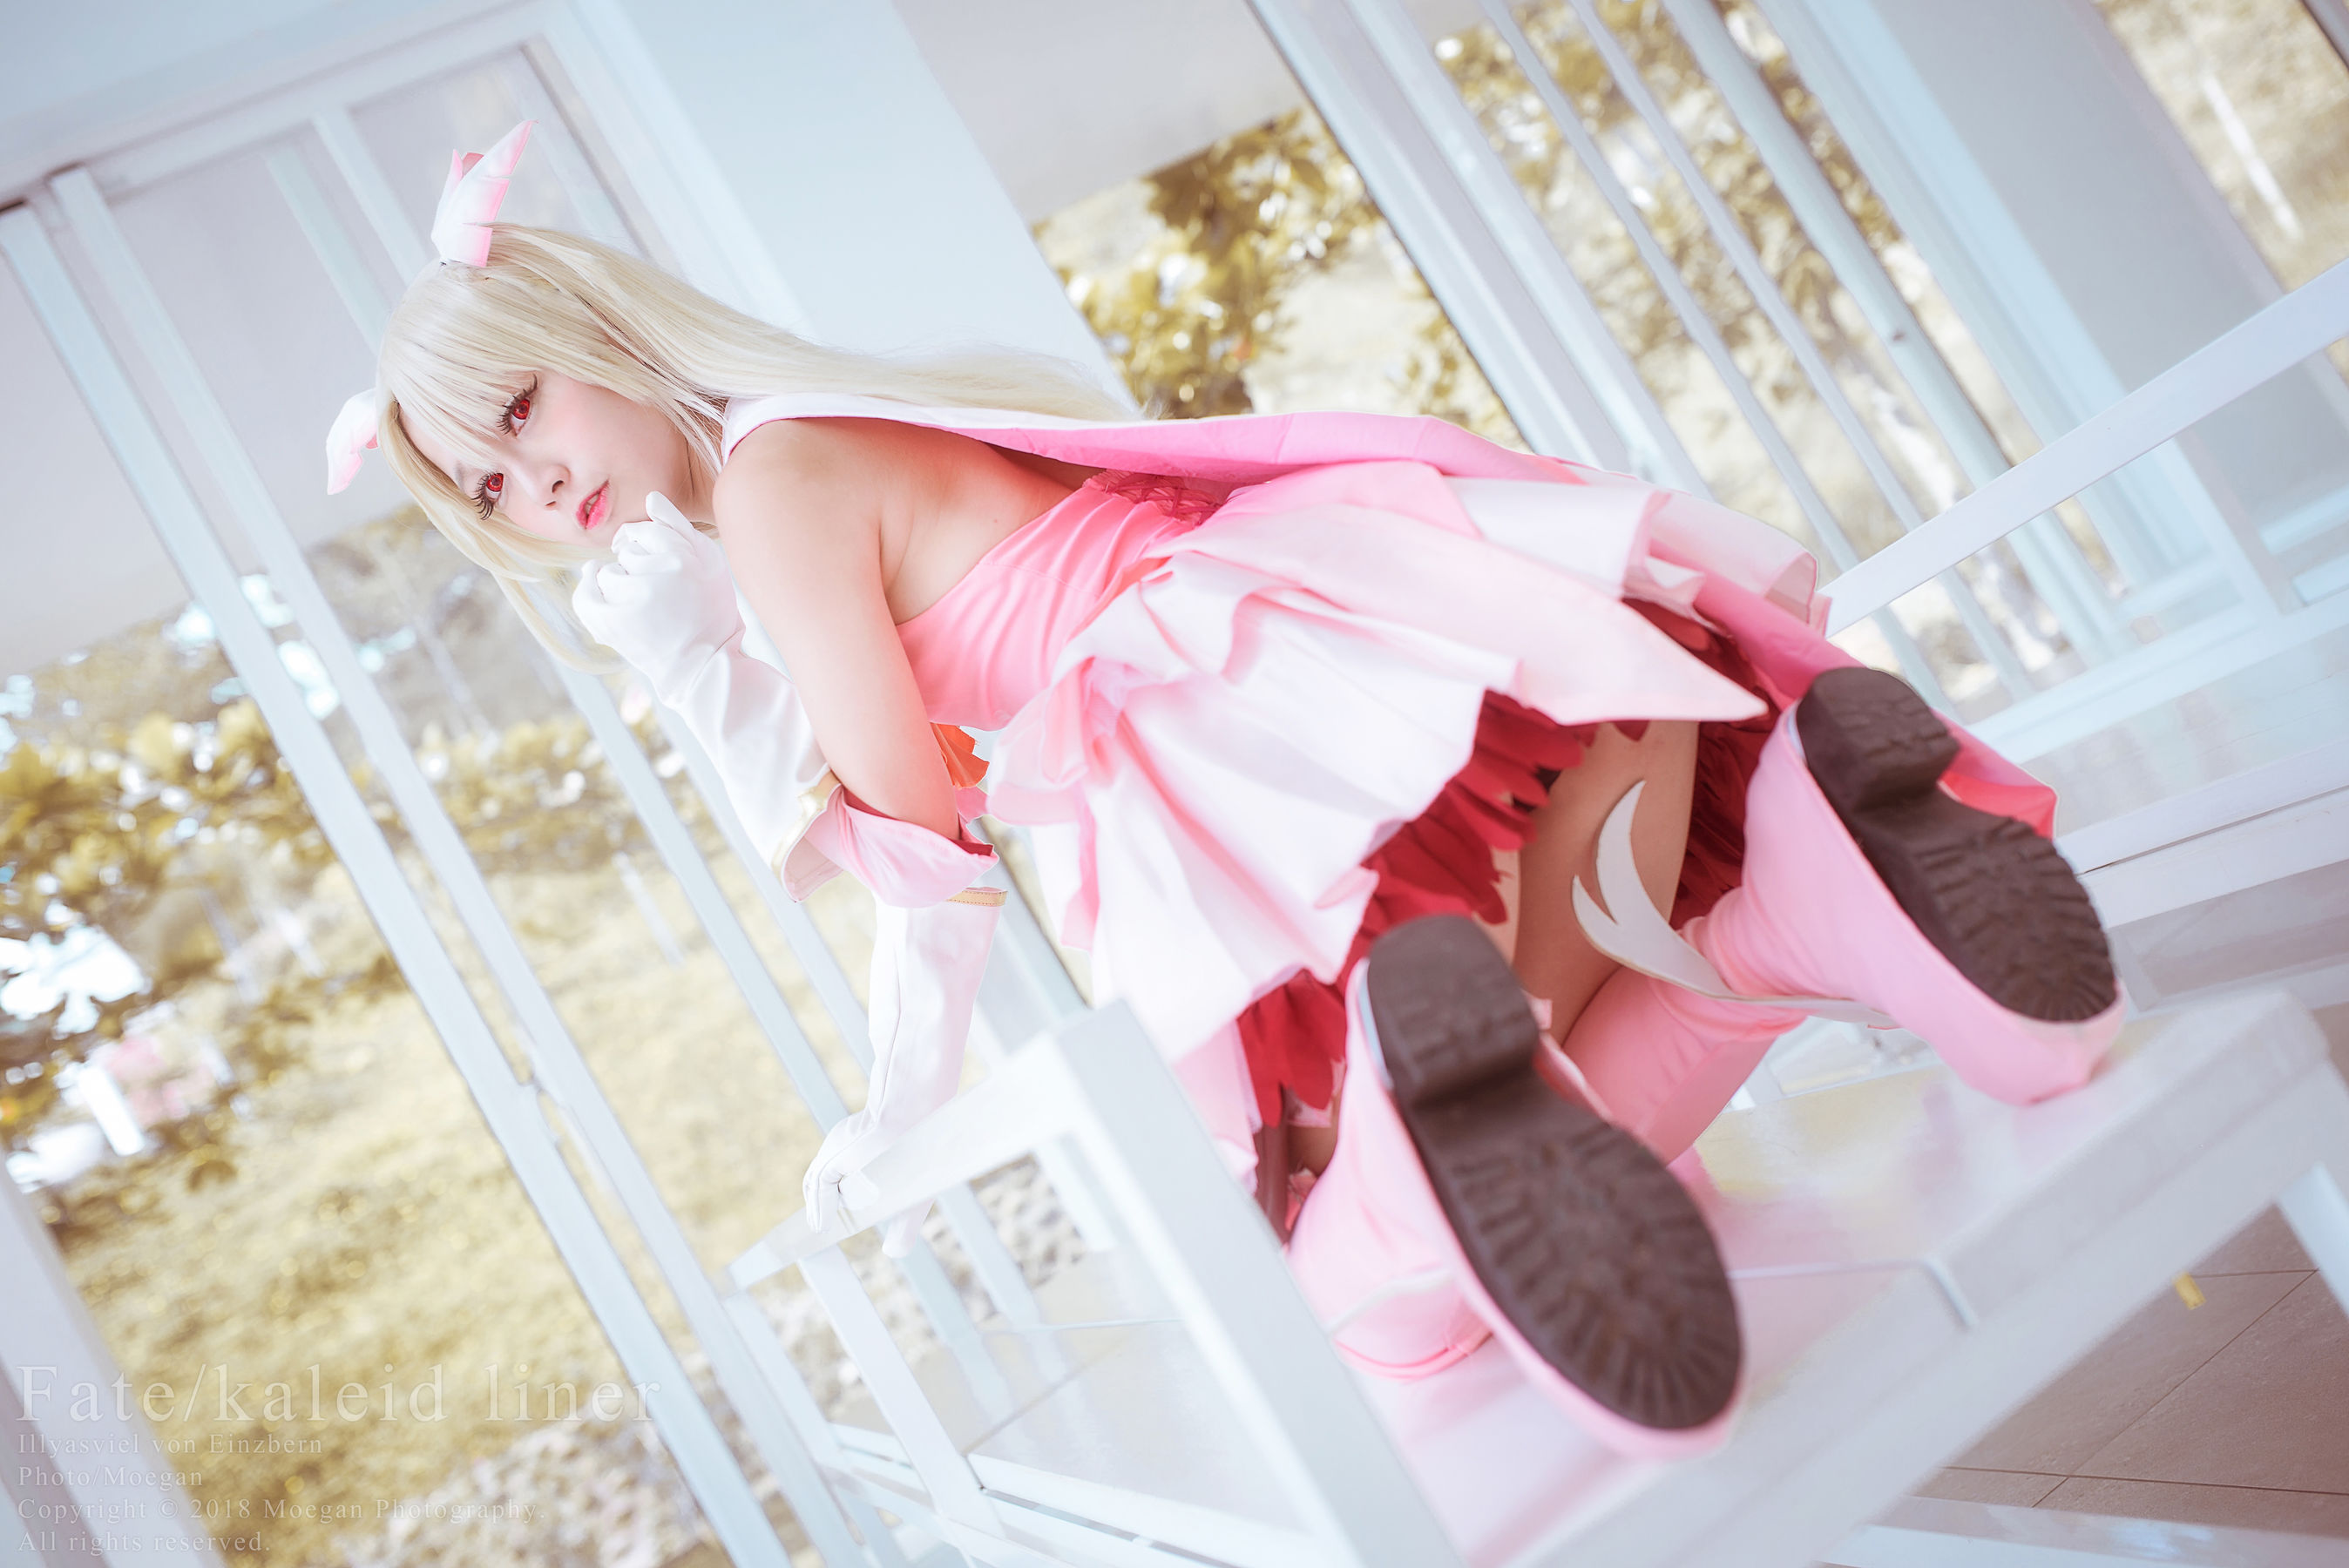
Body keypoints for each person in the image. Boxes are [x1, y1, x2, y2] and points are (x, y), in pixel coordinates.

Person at [328, 123, 2123, 1456]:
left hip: (1257, 738)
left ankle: (1453, 1124)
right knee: (1552, 1031)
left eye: (519, 412)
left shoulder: (773, 488)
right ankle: (1823, 882)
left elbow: (925, 852)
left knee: (1373, 1302)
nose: (527, 487)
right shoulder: (795, 450)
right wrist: (711, 660)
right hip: (1396, 642)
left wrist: (894, 1104)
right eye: (484, 489)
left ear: (587, 326)